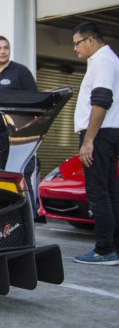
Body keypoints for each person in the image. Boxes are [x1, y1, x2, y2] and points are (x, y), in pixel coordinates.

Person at [70, 22, 119, 265]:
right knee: (110, 191)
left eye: (77, 43)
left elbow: (101, 101)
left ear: (90, 40)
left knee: (98, 192)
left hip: (100, 134)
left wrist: (88, 140)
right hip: (106, 134)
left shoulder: (103, 61)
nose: (75, 49)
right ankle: (112, 247)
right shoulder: (105, 60)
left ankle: (104, 249)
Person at [0, 35, 38, 169]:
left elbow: (36, 102)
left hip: (17, 138)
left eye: (6, 48)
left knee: (21, 178)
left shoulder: (21, 72)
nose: (3, 51)